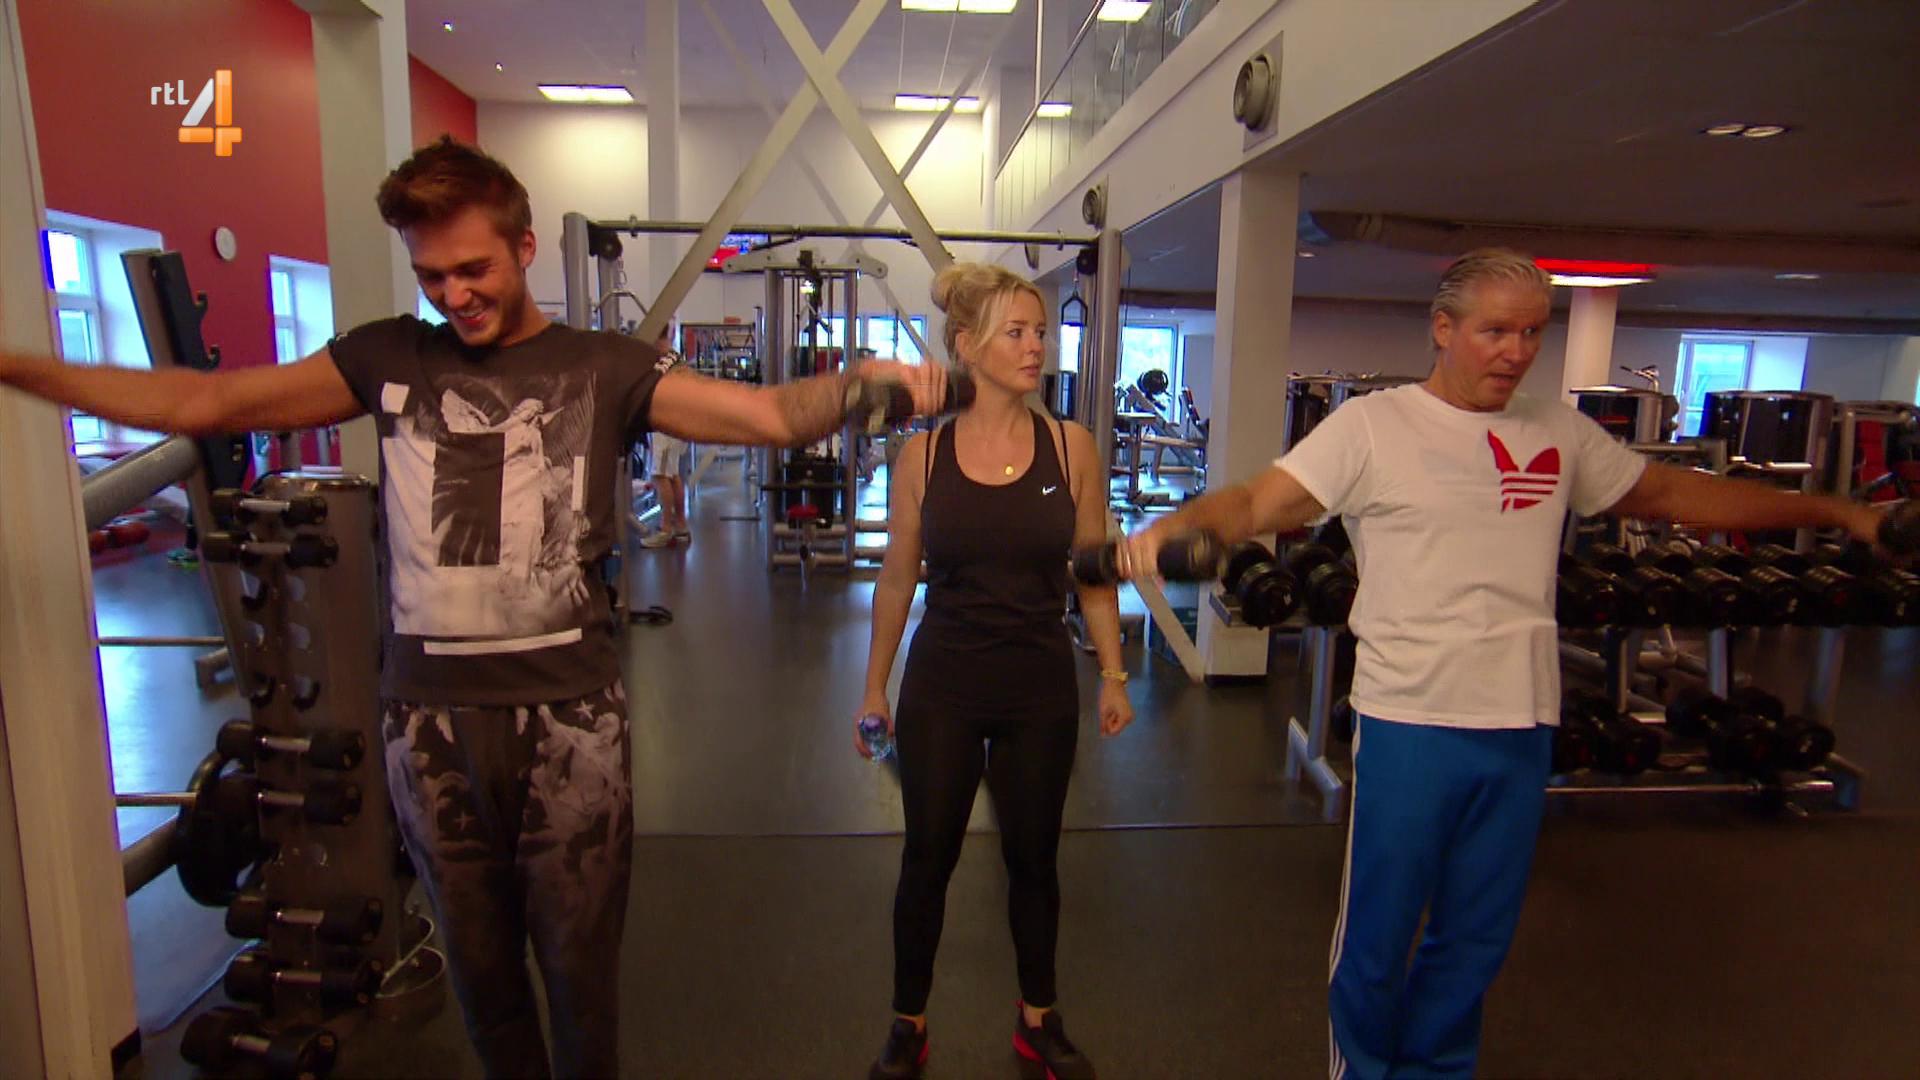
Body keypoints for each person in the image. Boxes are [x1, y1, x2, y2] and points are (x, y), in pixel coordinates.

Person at [0, 135, 945, 1080]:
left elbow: (770, 417)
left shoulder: (605, 366)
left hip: (569, 720)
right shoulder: (384, 355)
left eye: (473, 269)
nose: (454, 294)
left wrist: (864, 390)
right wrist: (21, 368)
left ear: (524, 246)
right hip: (428, 727)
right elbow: (211, 403)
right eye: (432, 276)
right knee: (485, 990)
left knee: (579, 987)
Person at [1119, 248, 1894, 1080]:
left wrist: (1836, 512)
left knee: (1476, 937)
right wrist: (1174, 529)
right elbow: (1256, 501)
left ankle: (1438, 1070)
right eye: (1495, 331)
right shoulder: (1374, 427)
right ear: (1442, 329)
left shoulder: (1557, 430)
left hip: (1522, 719)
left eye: (1531, 333)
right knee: (1379, 935)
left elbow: (1670, 495)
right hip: (1411, 719)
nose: (1516, 352)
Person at [856, 262, 1131, 1080]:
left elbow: (1093, 571)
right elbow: (897, 579)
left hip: (1039, 685)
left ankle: (1038, 1020)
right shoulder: (923, 455)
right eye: (1016, 332)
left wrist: (1114, 673)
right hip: (944, 682)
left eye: (1040, 331)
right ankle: (908, 1024)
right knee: (927, 857)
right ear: (969, 347)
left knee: (1034, 859)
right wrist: (873, 688)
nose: (1035, 346)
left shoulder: (1072, 448)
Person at [642, 320, 691, 548]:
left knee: (660, 476)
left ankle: (666, 529)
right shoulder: (675, 357)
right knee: (672, 475)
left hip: (665, 425)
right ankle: (680, 525)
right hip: (675, 425)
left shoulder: (660, 361)